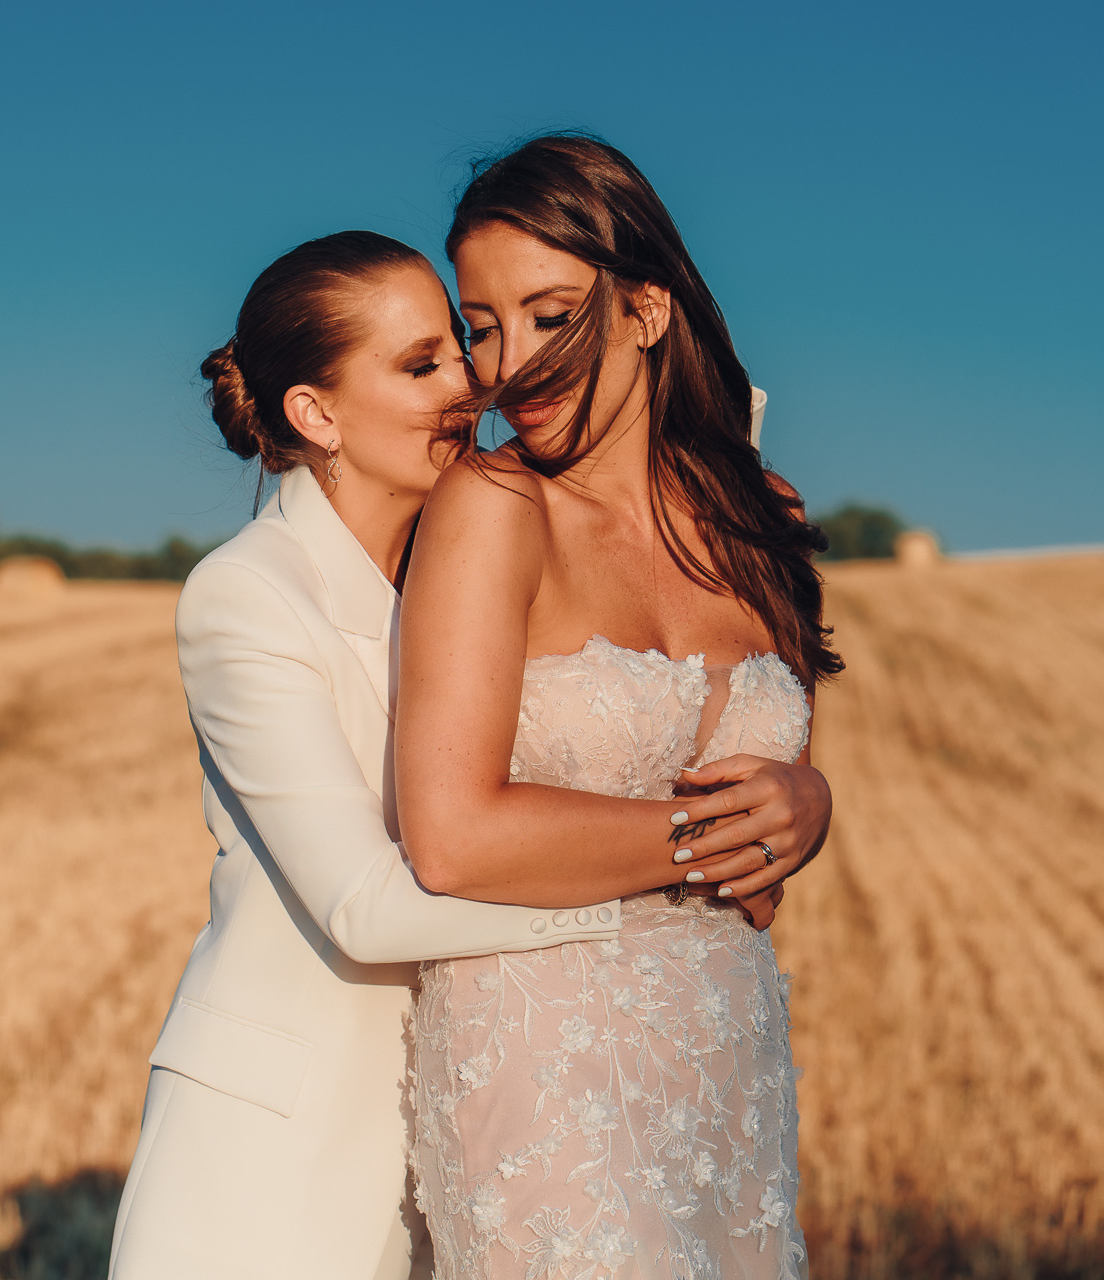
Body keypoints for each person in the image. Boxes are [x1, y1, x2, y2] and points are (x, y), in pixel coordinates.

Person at [109, 229, 832, 1280]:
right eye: (423, 365)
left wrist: (801, 792)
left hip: (489, 1118)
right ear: (315, 415)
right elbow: (366, 903)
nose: (473, 382)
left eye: (460, 346)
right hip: (284, 1158)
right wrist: (687, 875)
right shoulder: (250, 594)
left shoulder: (470, 552)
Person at [399, 135, 837, 1279]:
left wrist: (808, 799)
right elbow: (450, 835)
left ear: (648, 308)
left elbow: (772, 838)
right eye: (482, 325)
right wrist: (708, 840)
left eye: (550, 314)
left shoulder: (761, 509)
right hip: (545, 1054)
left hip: (728, 1057)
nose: (510, 364)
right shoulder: (493, 506)